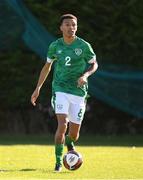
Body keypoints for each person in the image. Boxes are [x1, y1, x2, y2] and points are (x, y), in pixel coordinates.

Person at [31, 14, 98, 172]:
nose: (71, 27)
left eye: (73, 25)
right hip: (60, 89)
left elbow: (94, 64)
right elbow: (47, 67)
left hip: (79, 92)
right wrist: (38, 88)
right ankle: (58, 162)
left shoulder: (83, 46)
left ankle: (69, 143)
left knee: (74, 135)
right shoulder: (55, 46)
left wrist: (85, 75)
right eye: (67, 24)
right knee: (63, 125)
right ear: (61, 27)